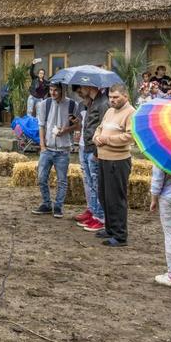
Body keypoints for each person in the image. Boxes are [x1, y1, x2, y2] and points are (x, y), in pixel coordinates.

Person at [93, 83, 136, 247]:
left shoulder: (131, 113)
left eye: (116, 97)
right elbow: (100, 128)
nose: (112, 100)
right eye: (110, 97)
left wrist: (107, 140)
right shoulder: (110, 111)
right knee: (104, 196)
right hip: (104, 158)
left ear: (125, 96)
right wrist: (96, 138)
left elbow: (130, 136)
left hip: (118, 160)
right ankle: (110, 228)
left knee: (116, 198)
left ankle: (120, 235)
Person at [32, 83, 79, 218]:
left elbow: (78, 125)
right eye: (51, 90)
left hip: (63, 150)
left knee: (62, 180)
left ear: (63, 90)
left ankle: (58, 206)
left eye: (56, 90)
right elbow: (41, 126)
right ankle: (47, 204)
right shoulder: (44, 105)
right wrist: (42, 146)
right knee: (41, 178)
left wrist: (66, 130)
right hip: (47, 148)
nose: (53, 93)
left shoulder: (72, 105)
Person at [78, 85, 108, 232]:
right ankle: (95, 213)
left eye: (82, 86)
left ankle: (100, 217)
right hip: (88, 146)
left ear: (90, 86)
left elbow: (103, 126)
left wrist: (97, 151)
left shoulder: (103, 103)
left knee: (96, 184)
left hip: (94, 149)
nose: (80, 90)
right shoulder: (93, 102)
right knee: (91, 183)